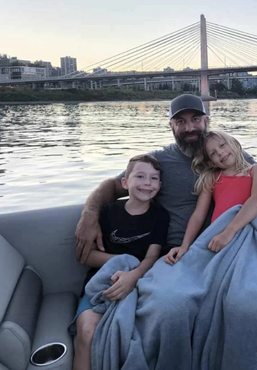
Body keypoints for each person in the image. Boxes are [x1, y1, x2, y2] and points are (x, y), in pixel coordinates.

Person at [74, 94, 257, 263]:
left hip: (227, 244)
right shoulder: (159, 161)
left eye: (195, 119)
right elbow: (113, 186)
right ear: (171, 125)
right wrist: (89, 215)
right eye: (180, 122)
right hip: (176, 253)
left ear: (206, 121)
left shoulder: (230, 155)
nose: (190, 128)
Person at [72, 154, 169, 370]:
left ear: (160, 186)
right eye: (140, 176)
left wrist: (133, 274)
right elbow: (85, 256)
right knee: (87, 331)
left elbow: (152, 257)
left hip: (139, 281)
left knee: (134, 332)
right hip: (100, 282)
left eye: (154, 179)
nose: (147, 183)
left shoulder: (160, 217)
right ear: (125, 183)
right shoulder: (107, 212)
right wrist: (124, 262)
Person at [164, 131, 257, 264]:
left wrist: (229, 232)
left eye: (222, 145)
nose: (220, 152)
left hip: (245, 230)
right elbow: (199, 214)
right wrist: (185, 245)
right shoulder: (212, 177)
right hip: (218, 235)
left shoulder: (256, 170)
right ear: (211, 163)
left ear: (235, 143)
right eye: (213, 153)